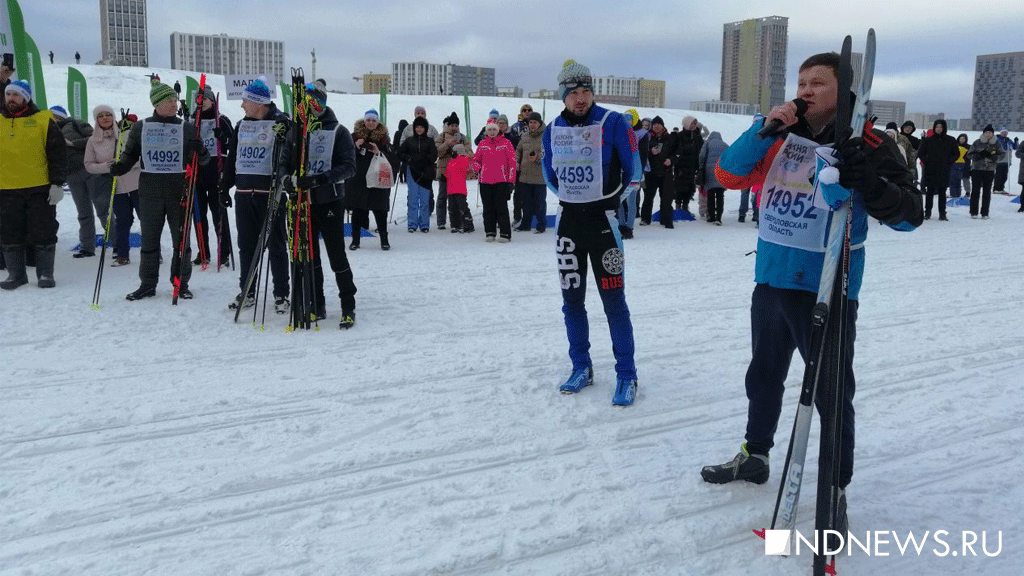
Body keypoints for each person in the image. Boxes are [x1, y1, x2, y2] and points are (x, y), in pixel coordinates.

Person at [702, 52, 922, 533]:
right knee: (763, 377)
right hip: (772, 280)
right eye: (800, 81)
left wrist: (869, 181)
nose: (804, 90)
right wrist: (765, 127)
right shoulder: (783, 134)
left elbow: (909, 216)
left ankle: (834, 489)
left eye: (817, 83)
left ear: (843, 92)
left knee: (830, 393)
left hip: (827, 288)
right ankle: (754, 453)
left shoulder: (867, 142)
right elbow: (727, 176)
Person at [542, 60, 641, 406]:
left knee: (614, 302)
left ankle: (627, 374)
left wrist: (608, 203)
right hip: (568, 224)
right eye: (573, 93)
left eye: (585, 91)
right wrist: (572, 198)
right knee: (572, 302)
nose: (580, 98)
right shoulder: (551, 127)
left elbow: (635, 172)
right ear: (563, 96)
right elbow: (548, 174)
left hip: (604, 225)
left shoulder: (613, 122)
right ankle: (581, 366)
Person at [110, 79, 211, 301]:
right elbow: (130, 154)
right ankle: (147, 284)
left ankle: (181, 283)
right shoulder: (141, 126)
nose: (174, 104)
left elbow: (203, 161)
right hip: (150, 191)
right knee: (150, 240)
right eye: (168, 100)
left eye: (174, 100)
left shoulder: (186, 127)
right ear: (156, 104)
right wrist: (120, 167)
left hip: (179, 191)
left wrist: (200, 149)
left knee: (181, 240)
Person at [218, 77, 292, 309]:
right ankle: (247, 291)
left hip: (270, 194)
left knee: (277, 246)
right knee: (246, 246)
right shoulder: (242, 125)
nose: (242, 106)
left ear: (258, 103)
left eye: (245, 101)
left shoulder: (281, 123)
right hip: (244, 194)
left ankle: (281, 293)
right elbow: (234, 158)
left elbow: (290, 156)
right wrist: (224, 186)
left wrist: (286, 132)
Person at [290, 81, 358, 328]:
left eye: (314, 102)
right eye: (306, 103)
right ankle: (317, 304)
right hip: (303, 203)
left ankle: (348, 305)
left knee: (336, 255)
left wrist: (320, 179)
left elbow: (350, 167)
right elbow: (286, 161)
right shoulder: (298, 129)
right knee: (311, 258)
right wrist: (289, 180)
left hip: (329, 199)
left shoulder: (338, 130)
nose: (310, 107)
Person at [0, 80, 67, 290]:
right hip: (6, 188)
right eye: (8, 94)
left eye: (15, 95)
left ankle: (45, 274)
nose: (11, 98)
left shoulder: (43, 121)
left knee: (44, 231)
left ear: (26, 98)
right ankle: (16, 275)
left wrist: (57, 184)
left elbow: (57, 155)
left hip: (40, 188)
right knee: (9, 232)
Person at [84, 105, 142, 265]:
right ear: (96, 120)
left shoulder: (126, 134)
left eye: (108, 114)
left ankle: (153, 252)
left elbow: (140, 156)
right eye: (100, 116)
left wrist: (125, 164)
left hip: (136, 183)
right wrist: (107, 166)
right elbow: (88, 164)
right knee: (122, 220)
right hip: (115, 187)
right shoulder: (92, 140)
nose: (105, 118)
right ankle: (122, 254)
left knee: (145, 218)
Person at [51, 104, 106, 257]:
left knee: (103, 209)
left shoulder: (74, 123)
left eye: (53, 115)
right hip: (71, 175)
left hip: (89, 170)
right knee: (83, 212)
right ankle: (87, 247)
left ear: (59, 116)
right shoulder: (49, 131)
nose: (51, 118)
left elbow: (95, 138)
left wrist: (73, 143)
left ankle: (117, 245)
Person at [191, 85, 234, 268]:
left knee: (218, 215)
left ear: (212, 101)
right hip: (198, 175)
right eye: (199, 101)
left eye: (205, 100)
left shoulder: (221, 120)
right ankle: (203, 252)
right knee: (199, 216)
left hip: (216, 173)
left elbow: (233, 142)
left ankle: (224, 252)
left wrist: (222, 137)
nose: (201, 103)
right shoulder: (193, 121)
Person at [346, 109, 393, 250]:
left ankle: (384, 240)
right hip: (358, 179)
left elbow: (391, 158)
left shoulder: (384, 138)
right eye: (368, 120)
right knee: (358, 211)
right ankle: (355, 241)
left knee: (380, 211)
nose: (371, 123)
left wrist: (379, 152)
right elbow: (345, 155)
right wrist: (355, 146)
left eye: (373, 120)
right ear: (364, 121)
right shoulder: (354, 136)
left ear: (377, 122)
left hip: (377, 179)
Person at [472, 119, 516, 242]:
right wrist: (478, 168)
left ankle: (505, 233)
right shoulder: (482, 144)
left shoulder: (506, 143)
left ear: (498, 131)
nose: (492, 132)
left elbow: (512, 163)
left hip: (501, 180)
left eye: (494, 129)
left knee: (501, 207)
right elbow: (475, 160)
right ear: (486, 131)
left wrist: (511, 180)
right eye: (489, 130)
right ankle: (490, 232)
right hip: (485, 181)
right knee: (488, 208)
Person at [399, 116, 437, 233]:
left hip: (426, 172)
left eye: (421, 127)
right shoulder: (409, 140)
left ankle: (424, 224)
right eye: (417, 127)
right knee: (413, 198)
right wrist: (409, 159)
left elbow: (434, 155)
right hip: (412, 171)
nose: (419, 129)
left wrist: (425, 160)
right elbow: (400, 152)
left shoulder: (430, 141)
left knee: (425, 199)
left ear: (425, 129)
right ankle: (412, 223)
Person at [435, 112, 471, 231]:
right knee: (442, 197)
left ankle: (458, 222)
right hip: (444, 171)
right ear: (448, 126)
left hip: (458, 173)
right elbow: (437, 153)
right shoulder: (441, 136)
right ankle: (441, 221)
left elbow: (470, 152)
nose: (454, 127)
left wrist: (461, 149)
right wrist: (447, 144)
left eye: (456, 125)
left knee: (458, 199)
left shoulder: (462, 137)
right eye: (452, 125)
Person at [916, 119, 958, 221]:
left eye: (941, 127)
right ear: (934, 128)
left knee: (942, 193)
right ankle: (927, 213)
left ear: (944, 128)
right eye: (937, 127)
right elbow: (921, 153)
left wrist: (949, 162)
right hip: (931, 170)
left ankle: (942, 213)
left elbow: (956, 154)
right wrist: (927, 161)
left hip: (944, 170)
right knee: (929, 192)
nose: (939, 129)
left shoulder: (950, 140)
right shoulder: (928, 140)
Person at [640, 116, 677, 228]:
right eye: (654, 124)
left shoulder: (670, 138)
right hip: (651, 173)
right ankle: (645, 219)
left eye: (658, 124)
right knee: (648, 197)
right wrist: (651, 151)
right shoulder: (647, 137)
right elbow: (641, 151)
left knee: (666, 198)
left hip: (666, 172)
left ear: (662, 125)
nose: (656, 126)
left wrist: (671, 160)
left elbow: (678, 152)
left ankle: (666, 220)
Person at [514, 111, 547, 233]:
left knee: (539, 203)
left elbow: (549, 154)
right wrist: (516, 161)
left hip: (539, 177)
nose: (532, 124)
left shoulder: (546, 135)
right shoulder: (525, 136)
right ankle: (525, 224)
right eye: (530, 122)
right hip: (525, 175)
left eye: (535, 122)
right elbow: (518, 150)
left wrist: (538, 158)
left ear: (539, 123)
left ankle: (541, 224)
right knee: (526, 202)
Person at [617, 109, 647, 238]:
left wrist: (640, 173)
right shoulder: (621, 133)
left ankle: (629, 227)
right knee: (618, 200)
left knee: (631, 200)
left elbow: (643, 155)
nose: (627, 121)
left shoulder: (641, 134)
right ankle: (622, 225)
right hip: (621, 171)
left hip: (635, 171)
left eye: (630, 118)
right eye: (625, 118)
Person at [965, 124, 1004, 219]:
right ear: (984, 133)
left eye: (990, 132)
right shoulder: (977, 142)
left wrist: (994, 157)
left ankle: (985, 213)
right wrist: (978, 155)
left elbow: (1002, 154)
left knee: (987, 192)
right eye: (986, 132)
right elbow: (969, 155)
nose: (988, 134)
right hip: (977, 169)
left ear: (993, 134)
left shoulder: (997, 144)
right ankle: (973, 212)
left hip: (989, 170)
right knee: (975, 191)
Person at [696, 130, 729, 225]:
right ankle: (719, 217)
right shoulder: (725, 144)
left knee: (710, 194)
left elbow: (701, 155)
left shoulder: (707, 143)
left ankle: (711, 217)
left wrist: (701, 166)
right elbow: (729, 157)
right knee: (720, 195)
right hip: (721, 172)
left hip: (709, 172)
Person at [675, 116, 704, 213]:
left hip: (692, 167)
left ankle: (685, 207)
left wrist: (698, 165)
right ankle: (678, 206)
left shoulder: (697, 137)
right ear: (687, 124)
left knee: (690, 188)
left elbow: (701, 149)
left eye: (695, 124)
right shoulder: (679, 136)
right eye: (692, 123)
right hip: (681, 167)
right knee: (680, 188)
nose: (694, 126)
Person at [444, 144, 473, 232]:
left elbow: (466, 170)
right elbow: (447, 173)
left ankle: (466, 225)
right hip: (453, 188)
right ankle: (456, 225)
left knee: (461, 208)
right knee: (454, 208)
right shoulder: (453, 160)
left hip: (458, 188)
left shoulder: (462, 160)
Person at [994, 128, 1017, 193]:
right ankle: (996, 188)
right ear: (1000, 133)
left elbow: (1015, 147)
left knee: (1004, 176)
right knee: (999, 175)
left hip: (1007, 160)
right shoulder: (997, 140)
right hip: (999, 160)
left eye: (1005, 132)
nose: (1004, 133)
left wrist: (1016, 142)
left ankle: (1001, 188)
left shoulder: (1009, 140)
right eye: (1003, 132)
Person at [949, 133, 970, 198]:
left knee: (964, 179)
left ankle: (966, 192)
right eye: (961, 138)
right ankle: (955, 194)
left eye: (963, 139)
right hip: (956, 165)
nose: (962, 140)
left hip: (965, 165)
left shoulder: (968, 147)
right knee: (956, 180)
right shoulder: (955, 146)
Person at [392, 119, 408, 183]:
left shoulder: (397, 133)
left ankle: (399, 176)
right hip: (405, 152)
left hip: (397, 152)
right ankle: (405, 178)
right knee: (405, 165)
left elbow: (395, 142)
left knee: (398, 165)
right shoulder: (406, 133)